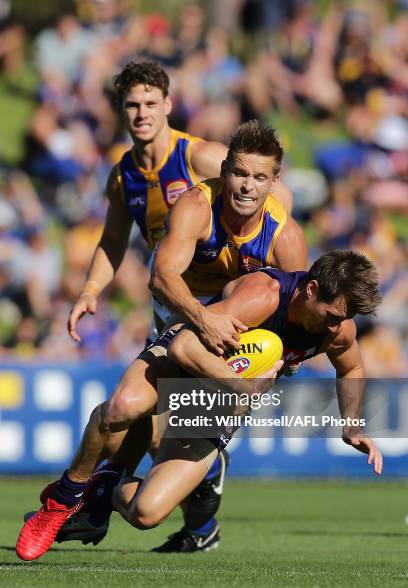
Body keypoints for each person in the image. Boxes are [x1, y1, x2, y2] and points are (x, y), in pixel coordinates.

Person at [16, 119, 307, 561]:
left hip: (236, 357)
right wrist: (202, 319)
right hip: (186, 325)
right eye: (240, 174)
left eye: (260, 177)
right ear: (225, 169)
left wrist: (284, 359)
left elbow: (299, 319)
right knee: (124, 409)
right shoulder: (196, 205)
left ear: (274, 181)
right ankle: (66, 499)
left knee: (147, 510)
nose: (247, 186)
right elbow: (161, 277)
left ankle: (172, 514)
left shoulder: (285, 238)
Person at [108, 249, 383, 532]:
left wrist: (352, 426)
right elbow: (183, 347)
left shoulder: (337, 330)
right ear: (311, 289)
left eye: (345, 317)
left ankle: (105, 489)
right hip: (178, 371)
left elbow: (351, 368)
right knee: (122, 411)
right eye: (333, 315)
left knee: (146, 514)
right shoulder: (263, 296)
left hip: (213, 407)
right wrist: (244, 388)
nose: (337, 326)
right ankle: (80, 488)